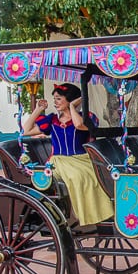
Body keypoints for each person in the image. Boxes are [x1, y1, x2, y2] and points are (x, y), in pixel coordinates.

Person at [23, 83, 113, 226]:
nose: (55, 102)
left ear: (70, 99)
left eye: (59, 99)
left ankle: (98, 215)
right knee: (77, 176)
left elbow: (78, 125)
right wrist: (38, 109)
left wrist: (72, 108)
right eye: (55, 99)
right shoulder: (52, 120)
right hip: (59, 161)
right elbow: (26, 130)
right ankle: (80, 217)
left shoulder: (87, 117)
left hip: (83, 159)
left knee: (95, 177)